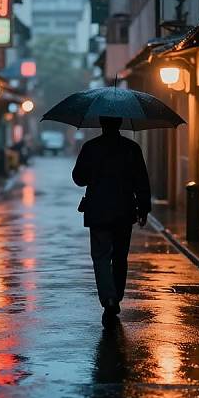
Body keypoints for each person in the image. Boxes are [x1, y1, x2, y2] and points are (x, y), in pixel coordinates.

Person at [72, 116, 151, 327]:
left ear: (101, 123)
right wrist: (144, 208)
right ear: (120, 123)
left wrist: (94, 174)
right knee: (120, 256)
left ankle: (108, 297)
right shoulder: (131, 148)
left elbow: (78, 178)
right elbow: (141, 180)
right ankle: (117, 296)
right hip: (124, 211)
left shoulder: (91, 147)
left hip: (97, 210)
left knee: (100, 256)